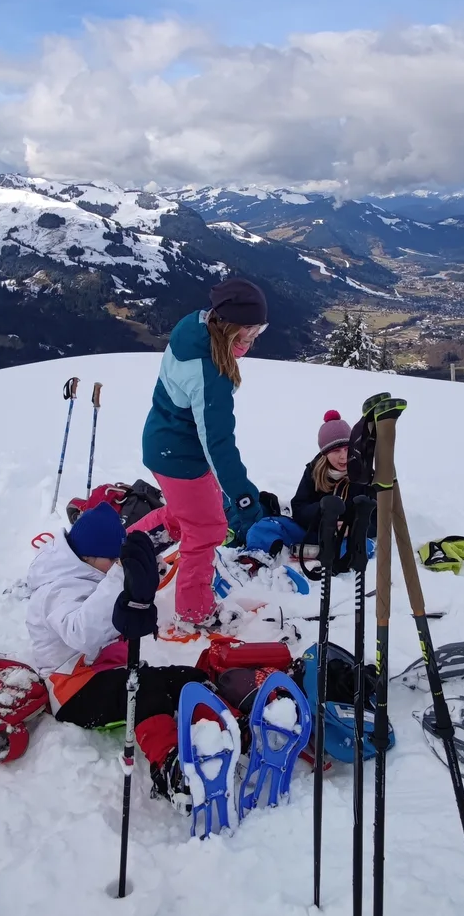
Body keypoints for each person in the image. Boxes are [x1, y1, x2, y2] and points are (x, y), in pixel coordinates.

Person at [29, 501, 200, 800]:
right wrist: (121, 577)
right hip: (72, 689)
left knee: (186, 679)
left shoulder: (92, 573)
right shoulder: (56, 590)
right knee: (146, 691)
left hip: (108, 671)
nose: (114, 565)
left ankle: (225, 727)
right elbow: (81, 633)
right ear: (89, 557)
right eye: (112, 559)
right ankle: (170, 766)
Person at [135, 278, 270, 634]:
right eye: (251, 328)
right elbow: (218, 442)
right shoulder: (210, 372)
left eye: (260, 328)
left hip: (165, 445)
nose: (255, 336)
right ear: (228, 325)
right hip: (180, 457)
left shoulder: (193, 326)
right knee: (207, 528)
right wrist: (242, 495)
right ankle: (196, 612)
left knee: (188, 514)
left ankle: (132, 547)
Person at [288, 409, 369, 554]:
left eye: (347, 449)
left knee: (362, 545)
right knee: (269, 526)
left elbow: (377, 520)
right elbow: (298, 509)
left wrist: (351, 528)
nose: (343, 457)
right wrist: (323, 511)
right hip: (314, 533)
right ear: (325, 453)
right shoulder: (313, 471)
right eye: (336, 451)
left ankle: (329, 557)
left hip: (347, 539)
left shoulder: (363, 476)